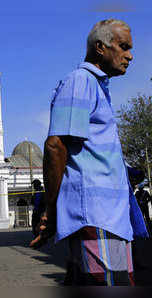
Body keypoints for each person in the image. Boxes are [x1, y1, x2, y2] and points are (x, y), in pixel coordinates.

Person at [30, 19, 148, 286]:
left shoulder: (96, 87)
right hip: (97, 216)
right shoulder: (80, 82)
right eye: (123, 46)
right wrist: (52, 208)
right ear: (100, 48)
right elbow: (55, 145)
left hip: (111, 218)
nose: (130, 55)